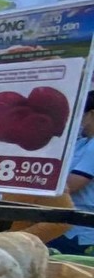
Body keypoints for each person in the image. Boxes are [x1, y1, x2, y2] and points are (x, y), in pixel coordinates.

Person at [46, 93, 94, 254]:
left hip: (82, 232)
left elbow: (73, 184)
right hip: (65, 226)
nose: (80, 122)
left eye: (82, 115)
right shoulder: (82, 142)